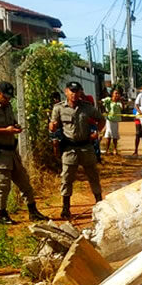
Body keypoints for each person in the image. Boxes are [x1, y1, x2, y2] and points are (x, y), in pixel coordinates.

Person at [0, 82, 48, 224]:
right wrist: (6, 131)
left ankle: (33, 211)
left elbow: (11, 122)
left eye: (9, 97)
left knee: (24, 182)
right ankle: (2, 214)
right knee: (2, 186)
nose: (7, 100)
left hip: (12, 152)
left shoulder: (8, 106)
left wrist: (15, 127)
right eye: (5, 97)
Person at [50, 81, 105, 219]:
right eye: (71, 91)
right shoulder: (59, 108)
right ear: (66, 92)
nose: (74, 94)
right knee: (67, 178)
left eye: (77, 91)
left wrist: (96, 132)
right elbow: (52, 126)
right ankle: (65, 207)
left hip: (86, 146)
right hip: (69, 148)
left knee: (93, 176)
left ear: (81, 92)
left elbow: (101, 119)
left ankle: (100, 204)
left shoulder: (87, 108)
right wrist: (52, 126)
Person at [102, 87, 124, 155]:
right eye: (116, 93)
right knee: (109, 135)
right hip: (109, 120)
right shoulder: (108, 100)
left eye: (118, 94)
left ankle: (115, 149)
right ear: (112, 94)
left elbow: (122, 108)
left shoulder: (119, 103)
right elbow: (101, 102)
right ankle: (107, 149)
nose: (117, 95)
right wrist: (105, 110)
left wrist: (122, 101)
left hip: (116, 120)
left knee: (115, 135)